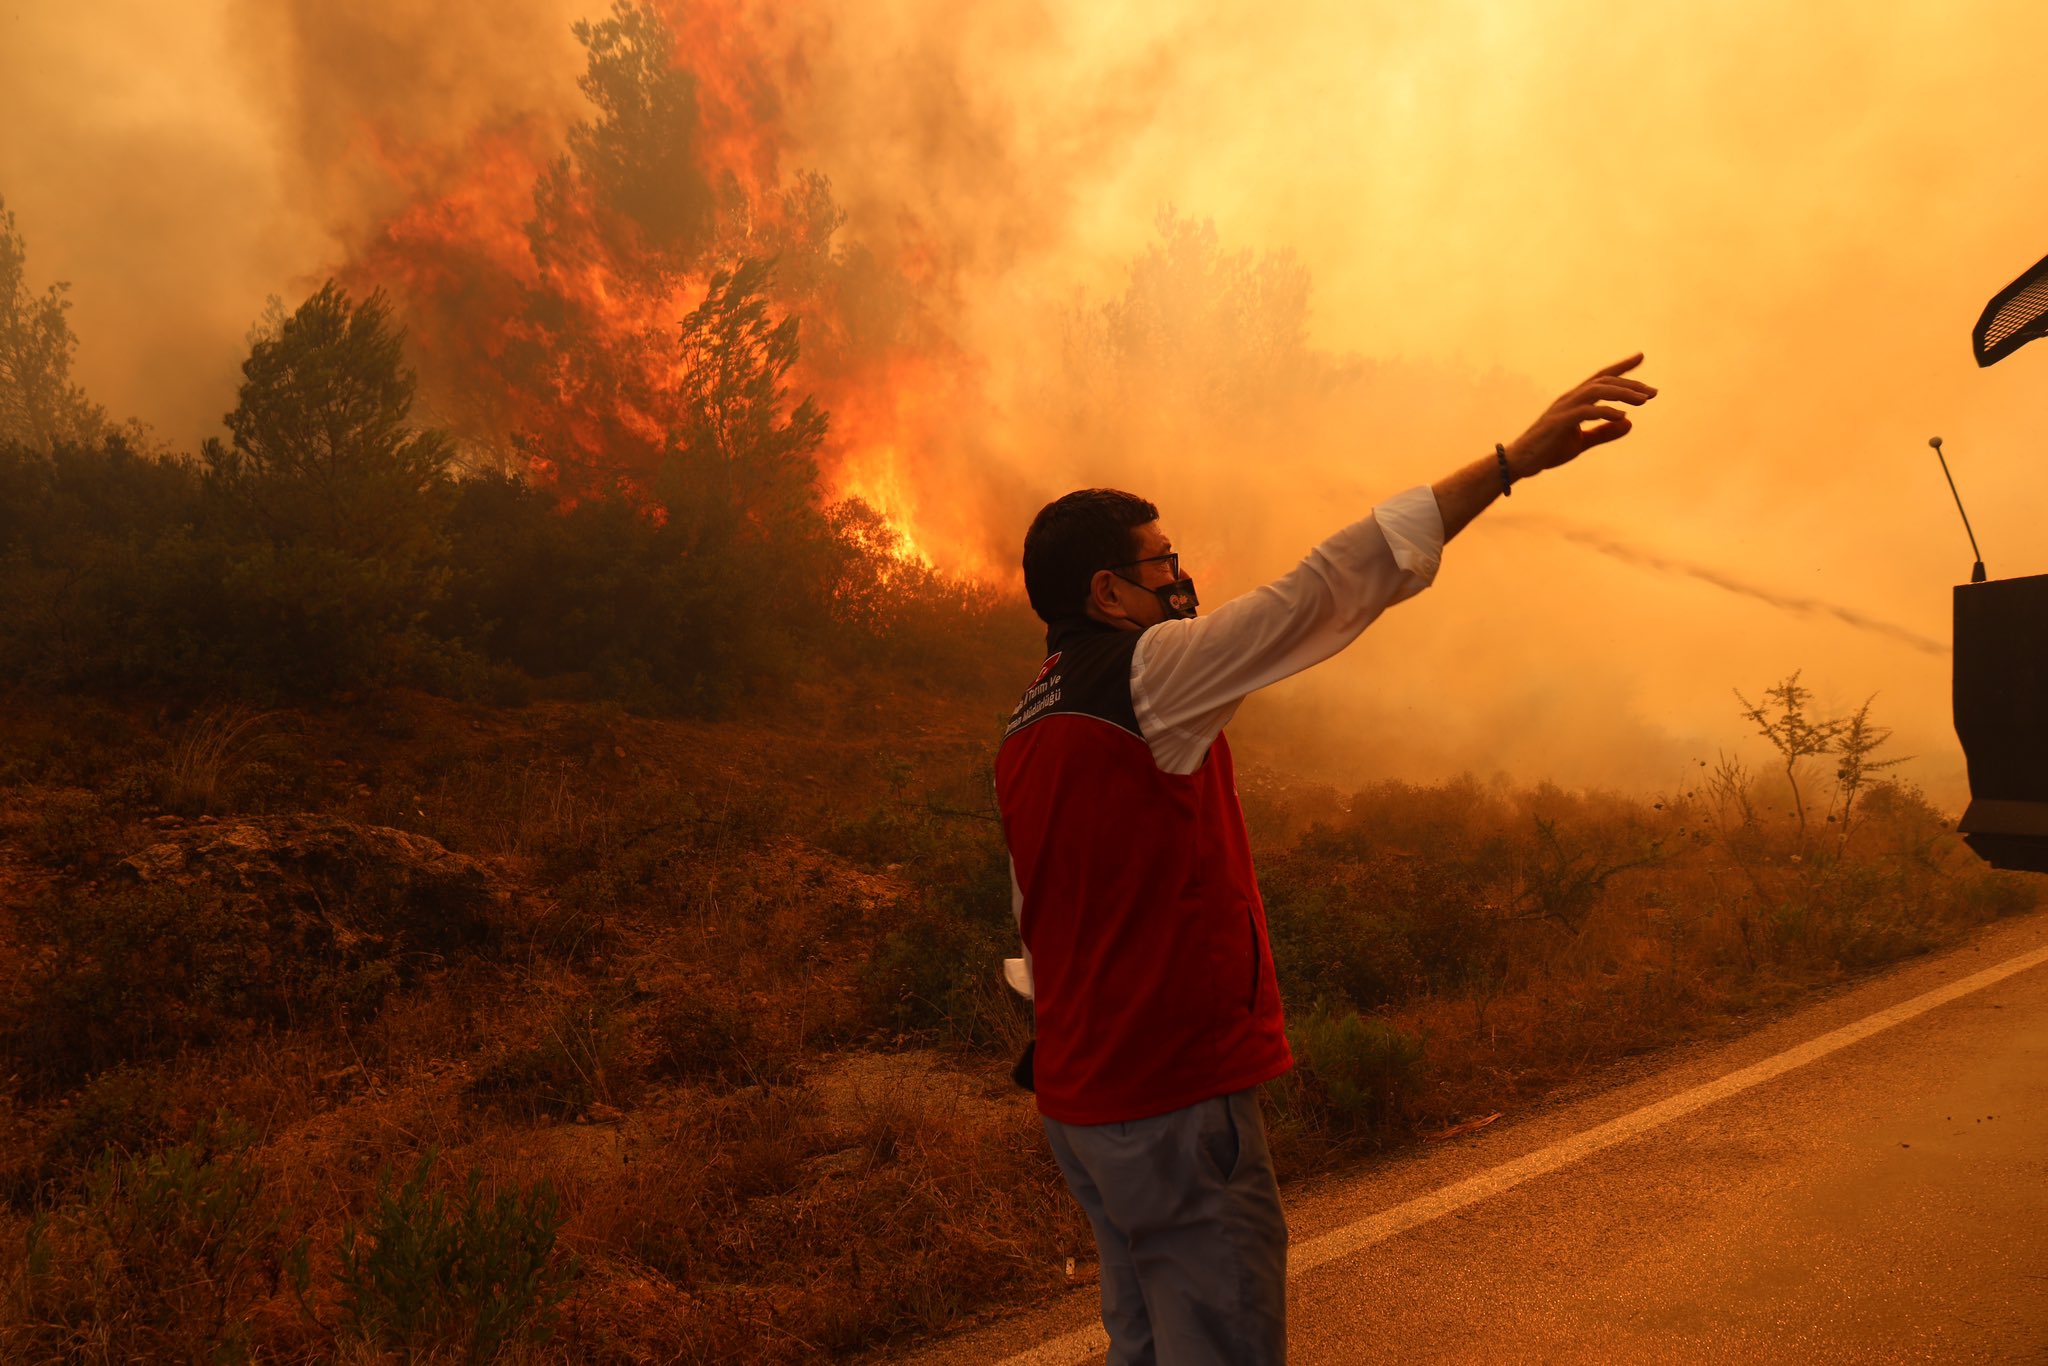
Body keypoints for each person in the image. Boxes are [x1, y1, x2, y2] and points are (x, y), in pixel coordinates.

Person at [993, 355, 1657, 1364]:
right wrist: (1508, 462)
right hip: (1170, 1104)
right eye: (1161, 562)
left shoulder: (1022, 726)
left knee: (1142, 1342)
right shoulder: (1147, 672)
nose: (1179, 579)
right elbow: (1325, 587)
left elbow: (1034, 926)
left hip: (1083, 1110)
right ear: (1106, 590)